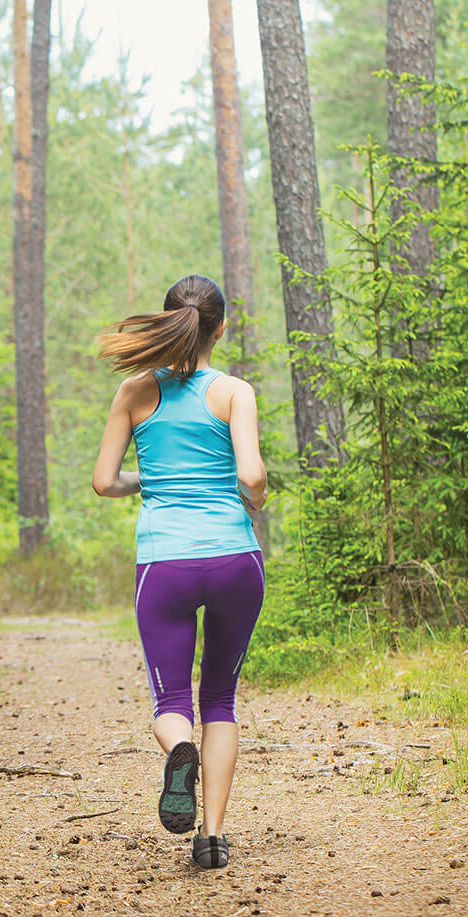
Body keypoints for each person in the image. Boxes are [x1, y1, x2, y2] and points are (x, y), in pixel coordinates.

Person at [91, 274, 268, 870]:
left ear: (171, 324)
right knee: (220, 696)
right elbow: (251, 478)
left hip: (164, 563)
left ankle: (180, 750)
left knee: (172, 699)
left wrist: (156, 480)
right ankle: (212, 838)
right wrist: (256, 497)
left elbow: (104, 482)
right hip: (232, 561)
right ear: (221, 328)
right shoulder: (235, 392)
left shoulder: (135, 392)